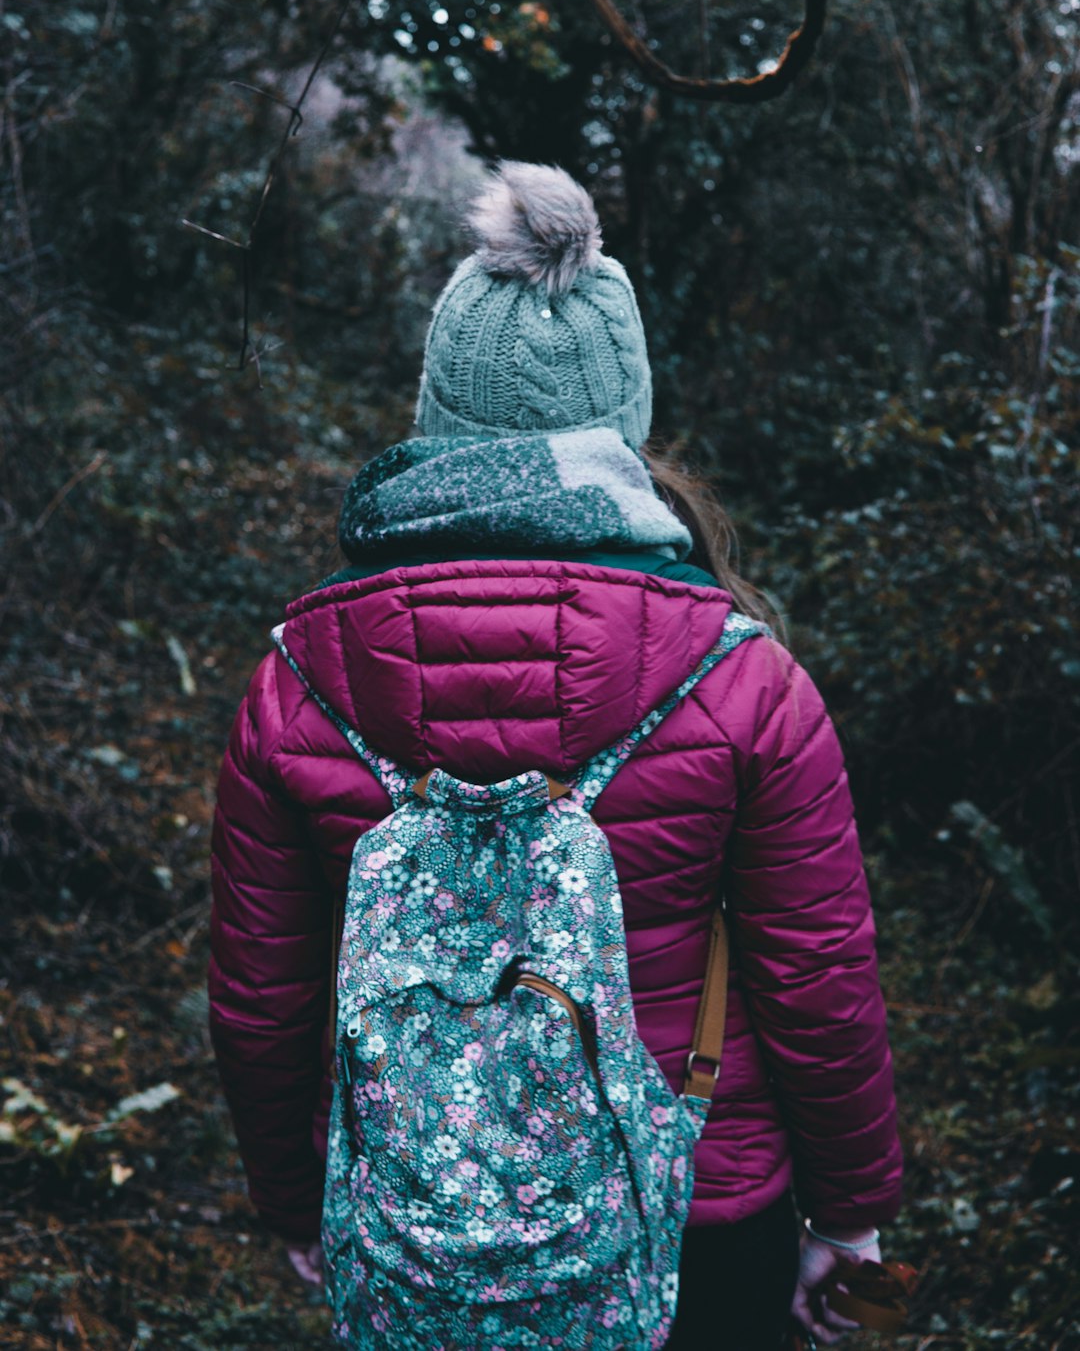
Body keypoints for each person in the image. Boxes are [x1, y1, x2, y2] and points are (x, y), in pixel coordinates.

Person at [208, 161, 903, 1350]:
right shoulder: (742, 679)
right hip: (697, 1210)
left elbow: (264, 1001)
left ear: (435, 408)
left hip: (417, 1209)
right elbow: (817, 980)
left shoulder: (297, 682)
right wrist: (851, 1211)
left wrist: (297, 1191)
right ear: (625, 416)